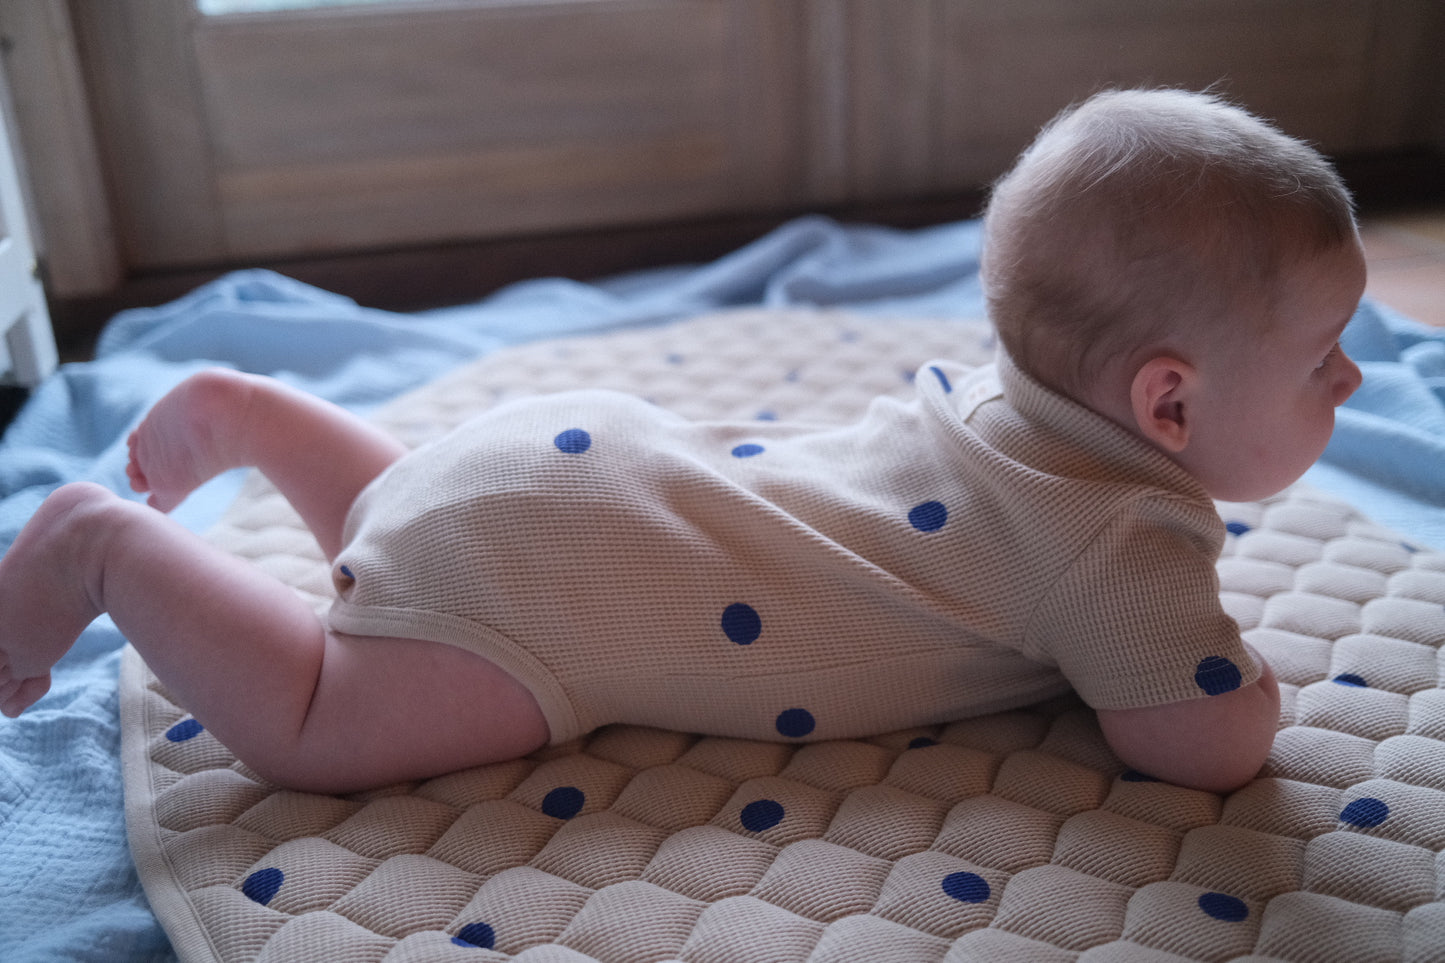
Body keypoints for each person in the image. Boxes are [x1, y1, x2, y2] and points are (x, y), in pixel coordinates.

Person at [0, 89, 1363, 795]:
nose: (1353, 381)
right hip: (563, 584)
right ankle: (102, 547)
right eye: (1321, 360)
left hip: (584, 470)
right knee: (316, 721)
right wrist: (1235, 687)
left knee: (421, 536)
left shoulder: (1006, 411)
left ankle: (256, 417)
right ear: (1167, 407)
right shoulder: (1121, 543)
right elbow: (1200, 747)